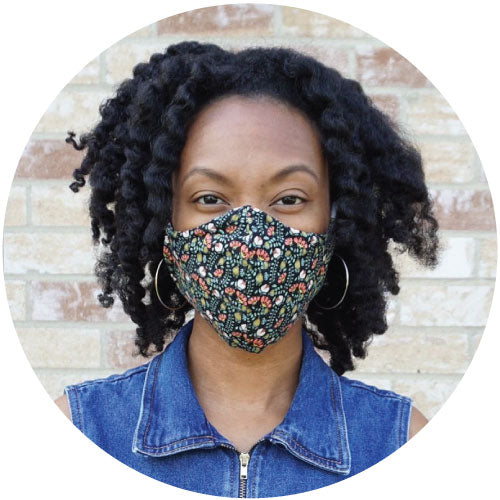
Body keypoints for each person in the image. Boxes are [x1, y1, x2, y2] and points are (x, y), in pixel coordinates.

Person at [54, 41, 439, 497]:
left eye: (289, 198)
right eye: (209, 198)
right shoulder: (80, 432)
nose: (250, 234)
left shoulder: (400, 443)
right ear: (164, 223)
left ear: (337, 220)